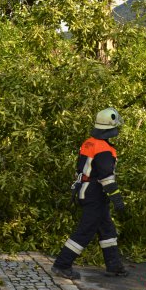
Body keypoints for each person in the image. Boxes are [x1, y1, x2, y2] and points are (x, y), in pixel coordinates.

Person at [51, 107, 128, 280]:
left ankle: (114, 266)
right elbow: (106, 177)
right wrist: (117, 199)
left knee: (107, 230)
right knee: (85, 230)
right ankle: (62, 264)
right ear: (111, 127)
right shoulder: (104, 149)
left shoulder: (89, 143)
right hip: (95, 194)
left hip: (86, 190)